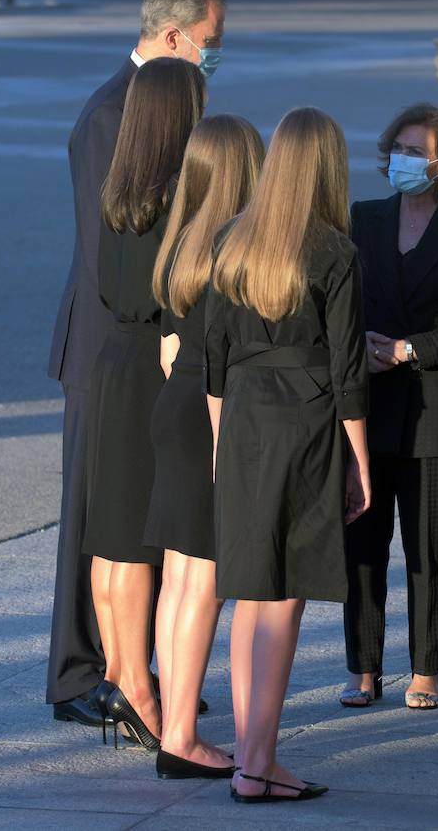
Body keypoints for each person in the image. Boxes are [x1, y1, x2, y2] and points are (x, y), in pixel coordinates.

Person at [47, 0, 225, 731]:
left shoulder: (160, 106)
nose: (217, 58)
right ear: (175, 36)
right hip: (111, 345)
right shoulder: (112, 113)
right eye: (212, 44)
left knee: (129, 522)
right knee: (101, 523)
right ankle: (83, 675)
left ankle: (138, 668)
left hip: (140, 342)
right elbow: (107, 252)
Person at [206, 107, 372, 804]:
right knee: (286, 597)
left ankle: (251, 753)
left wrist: (222, 446)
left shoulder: (230, 240)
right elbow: (349, 370)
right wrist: (358, 461)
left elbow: (212, 359)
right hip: (306, 419)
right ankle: (258, 762)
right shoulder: (335, 251)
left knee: (251, 592)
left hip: (243, 415)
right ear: (328, 169)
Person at [340, 104, 438, 711]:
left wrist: (409, 350)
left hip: (437, 411)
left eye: (415, 150)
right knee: (363, 541)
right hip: (369, 403)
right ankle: (364, 667)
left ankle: (426, 667)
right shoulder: (364, 218)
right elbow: (341, 299)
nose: (401, 160)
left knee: (430, 548)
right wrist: (365, 348)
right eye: (397, 148)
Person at [85, 58, 206, 750]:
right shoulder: (175, 202)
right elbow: (176, 307)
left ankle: (119, 674)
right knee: (134, 544)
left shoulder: (118, 193)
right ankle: (135, 686)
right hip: (152, 365)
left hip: (112, 360)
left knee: (110, 540)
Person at [144, 114, 264, 779]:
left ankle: (176, 725)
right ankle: (184, 735)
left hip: (175, 403)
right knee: (207, 580)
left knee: (179, 579)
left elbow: (168, 352)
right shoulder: (238, 244)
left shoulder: (181, 241)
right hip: (216, 411)